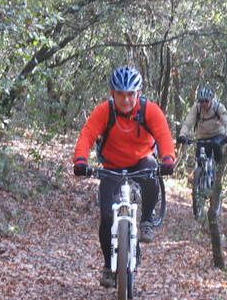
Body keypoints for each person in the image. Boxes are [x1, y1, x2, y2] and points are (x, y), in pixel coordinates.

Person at [73, 66, 175, 288]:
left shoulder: (150, 111)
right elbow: (87, 135)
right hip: (112, 166)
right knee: (107, 216)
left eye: (131, 94)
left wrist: (168, 159)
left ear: (138, 93)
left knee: (151, 168)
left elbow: (164, 136)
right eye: (121, 93)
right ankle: (109, 266)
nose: (126, 99)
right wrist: (80, 160)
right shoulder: (104, 112)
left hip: (141, 161)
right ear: (112, 93)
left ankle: (147, 219)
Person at [176, 86, 227, 164]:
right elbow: (188, 123)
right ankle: (200, 174)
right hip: (202, 137)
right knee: (199, 161)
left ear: (211, 100)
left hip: (217, 134)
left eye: (206, 101)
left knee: (216, 145)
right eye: (201, 101)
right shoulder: (196, 108)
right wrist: (182, 135)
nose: (204, 104)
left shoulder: (218, 107)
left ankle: (218, 165)